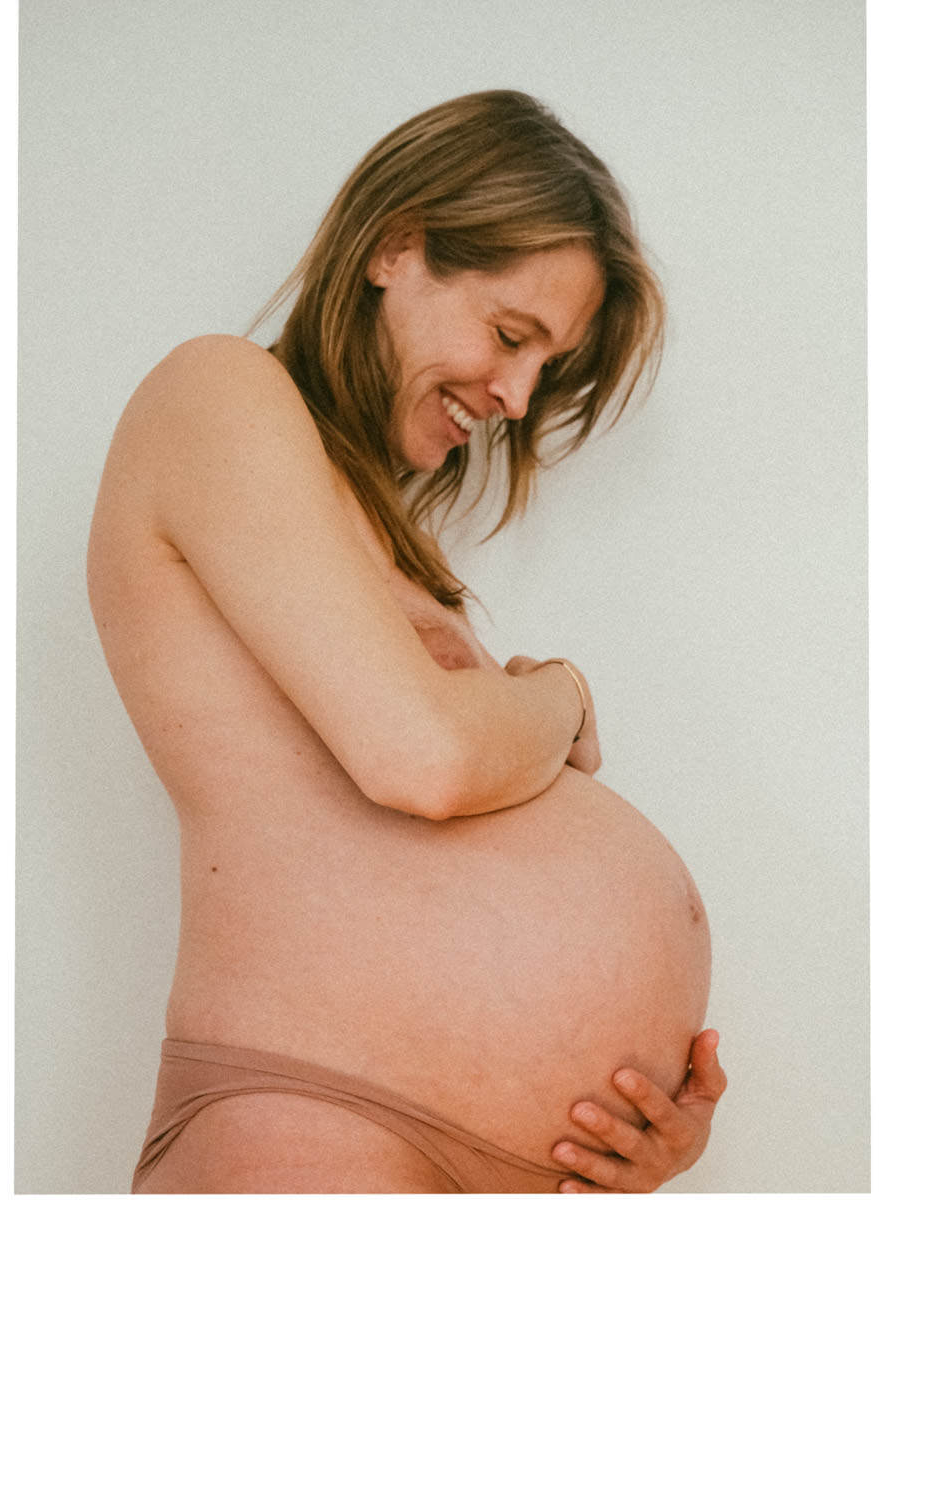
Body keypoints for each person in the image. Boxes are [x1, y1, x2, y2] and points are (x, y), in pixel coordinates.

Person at [88, 90, 727, 1193]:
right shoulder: (216, 392)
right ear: (395, 244)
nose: (518, 397)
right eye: (510, 335)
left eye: (545, 366)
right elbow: (423, 759)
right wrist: (564, 696)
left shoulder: (377, 540)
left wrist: (641, 1124)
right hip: (310, 1122)